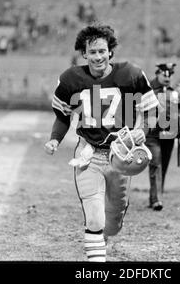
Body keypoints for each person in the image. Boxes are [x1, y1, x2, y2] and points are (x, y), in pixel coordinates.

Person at [44, 24, 159, 262]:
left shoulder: (130, 74)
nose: (98, 56)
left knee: (113, 221)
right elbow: (62, 117)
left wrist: (141, 130)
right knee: (95, 217)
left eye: (102, 51)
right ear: (84, 53)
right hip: (89, 154)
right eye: (92, 52)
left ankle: (103, 236)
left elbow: (151, 112)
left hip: (120, 156)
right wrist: (55, 139)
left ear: (110, 52)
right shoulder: (70, 79)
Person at [145, 63, 180, 211]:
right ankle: (157, 199)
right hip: (152, 134)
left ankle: (156, 195)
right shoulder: (148, 89)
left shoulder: (177, 91)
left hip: (169, 134)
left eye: (170, 75)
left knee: (163, 165)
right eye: (164, 74)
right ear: (157, 74)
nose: (167, 78)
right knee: (156, 163)